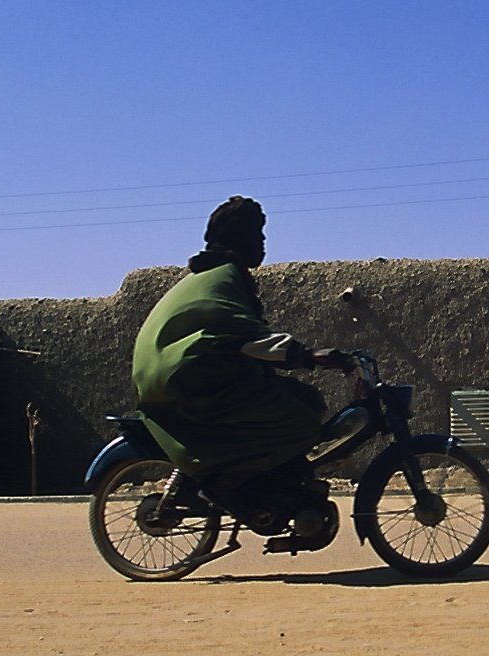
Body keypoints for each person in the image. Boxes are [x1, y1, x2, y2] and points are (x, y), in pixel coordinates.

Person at [132, 196, 345, 516]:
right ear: (239, 239)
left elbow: (236, 336)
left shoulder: (216, 276)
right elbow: (245, 335)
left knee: (306, 398)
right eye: (257, 235)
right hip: (188, 379)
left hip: (199, 374)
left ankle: (276, 484)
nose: (262, 243)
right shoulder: (223, 278)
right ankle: (228, 487)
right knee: (300, 421)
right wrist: (308, 356)